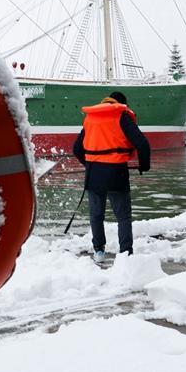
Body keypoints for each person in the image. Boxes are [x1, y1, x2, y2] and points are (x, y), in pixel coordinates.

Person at [72, 91, 151, 262]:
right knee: (123, 216)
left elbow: (76, 149)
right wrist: (144, 165)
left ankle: (99, 251)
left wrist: (91, 165)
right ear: (122, 104)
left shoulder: (91, 118)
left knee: (96, 214)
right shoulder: (121, 116)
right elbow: (142, 144)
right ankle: (125, 254)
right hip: (117, 173)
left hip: (93, 174)